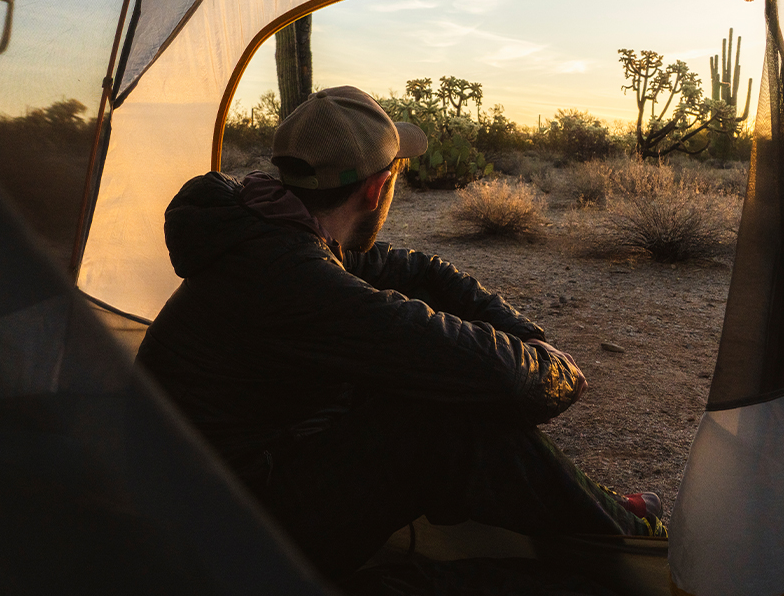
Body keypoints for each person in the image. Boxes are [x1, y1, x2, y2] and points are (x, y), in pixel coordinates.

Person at [136, 85, 666, 577]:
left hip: (198, 498)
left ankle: (601, 506)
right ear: (376, 187)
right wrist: (555, 367)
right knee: (441, 421)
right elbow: (506, 383)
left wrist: (527, 335)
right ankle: (635, 539)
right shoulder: (294, 281)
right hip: (227, 540)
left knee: (423, 385)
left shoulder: (268, 231)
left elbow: (414, 270)